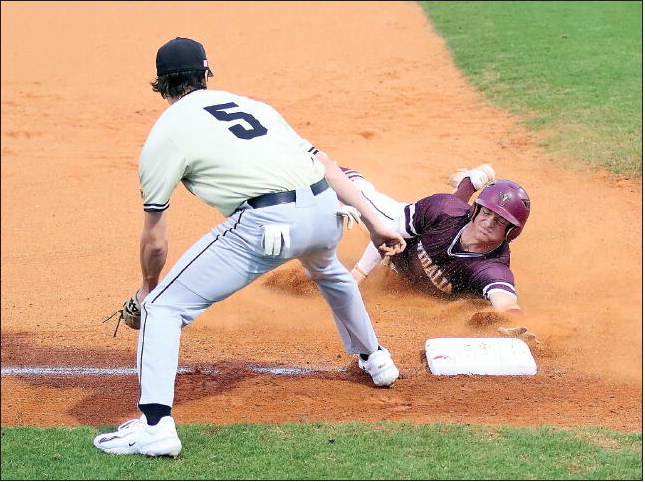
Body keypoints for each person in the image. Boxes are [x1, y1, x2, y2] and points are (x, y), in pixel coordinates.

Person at [93, 37, 406, 458]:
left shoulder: (165, 134)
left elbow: (155, 237)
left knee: (162, 308)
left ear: (161, 86)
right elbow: (327, 165)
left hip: (269, 224)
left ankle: (154, 426)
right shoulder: (255, 106)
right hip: (325, 212)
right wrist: (375, 221)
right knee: (330, 272)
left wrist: (149, 286)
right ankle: (378, 360)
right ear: (206, 75)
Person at [342, 164, 530, 316]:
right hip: (407, 226)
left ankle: (469, 182)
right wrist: (355, 278)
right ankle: (316, 165)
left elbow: (504, 299)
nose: (488, 223)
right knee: (361, 197)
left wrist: (510, 319)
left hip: (437, 228)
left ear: (511, 231)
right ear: (476, 209)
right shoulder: (442, 209)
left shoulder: (492, 266)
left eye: (499, 221)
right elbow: (387, 234)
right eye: (486, 212)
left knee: (446, 219)